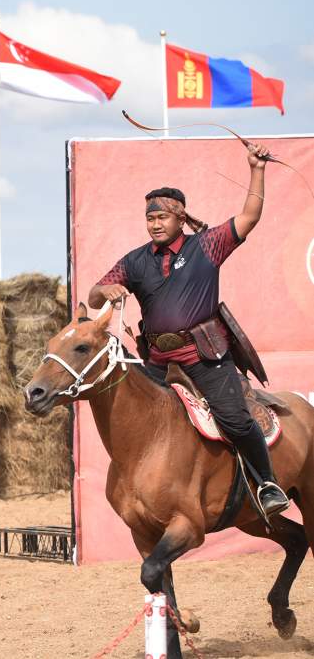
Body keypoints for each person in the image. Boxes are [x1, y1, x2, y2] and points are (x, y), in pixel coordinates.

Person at [88, 142, 288, 517]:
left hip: (204, 359)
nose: (155, 224)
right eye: (150, 218)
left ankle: (266, 484)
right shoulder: (134, 261)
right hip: (156, 363)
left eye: (162, 217)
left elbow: (249, 216)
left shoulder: (207, 246)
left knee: (234, 418)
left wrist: (256, 169)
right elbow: (94, 296)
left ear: (181, 218)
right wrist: (104, 290)